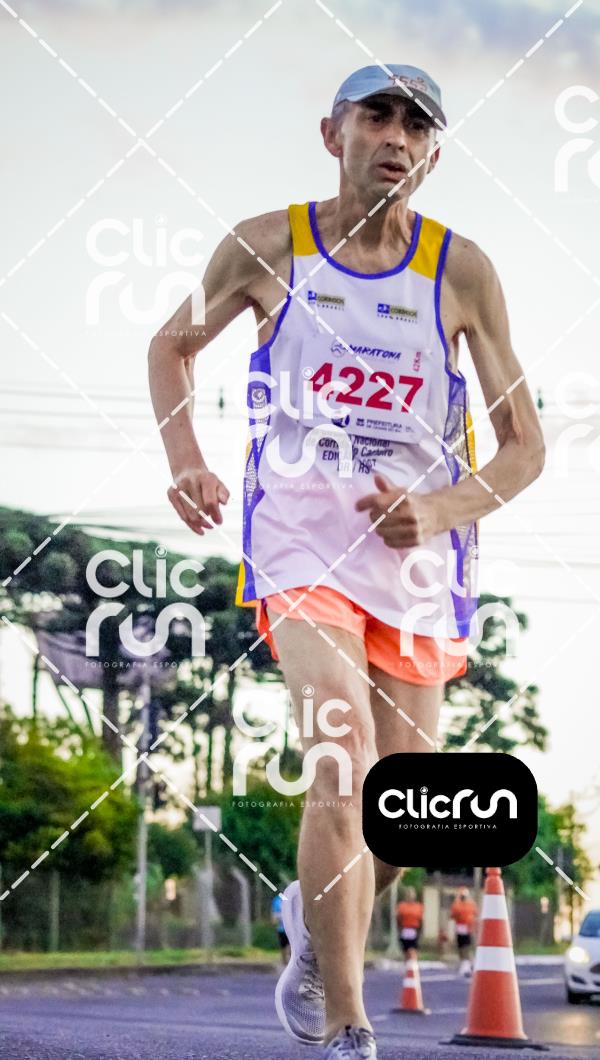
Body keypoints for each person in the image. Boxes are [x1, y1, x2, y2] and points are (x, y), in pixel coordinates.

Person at [149, 61, 545, 1060]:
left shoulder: (462, 271)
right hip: (300, 544)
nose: (395, 137)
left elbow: (524, 447)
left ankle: (306, 912)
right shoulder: (266, 244)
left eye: (416, 124)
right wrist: (186, 457)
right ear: (334, 134)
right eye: (377, 116)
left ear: (433, 154)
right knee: (343, 759)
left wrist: (438, 509)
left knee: (398, 816)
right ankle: (347, 1027)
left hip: (414, 563)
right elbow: (171, 346)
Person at [450, 886, 478, 976]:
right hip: (460, 926)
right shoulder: (457, 905)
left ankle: (467, 963)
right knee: (461, 946)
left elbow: (474, 914)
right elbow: (453, 915)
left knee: (466, 946)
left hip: (468, 927)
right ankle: (464, 963)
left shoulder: (470, 905)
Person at [396, 885, 424, 961]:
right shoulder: (402, 906)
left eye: (412, 894)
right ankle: (407, 964)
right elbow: (399, 919)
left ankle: (413, 964)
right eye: (408, 894)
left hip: (414, 930)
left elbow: (421, 920)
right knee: (406, 951)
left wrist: (420, 931)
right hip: (405, 930)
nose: (410, 896)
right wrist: (400, 929)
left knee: (413, 951)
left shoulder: (418, 906)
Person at [271, 892, 291, 966]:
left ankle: (290, 962)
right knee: (283, 946)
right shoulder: (277, 900)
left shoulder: (291, 898)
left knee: (290, 946)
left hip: (291, 929)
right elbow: (274, 915)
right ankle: (284, 962)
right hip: (281, 928)